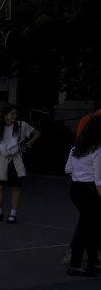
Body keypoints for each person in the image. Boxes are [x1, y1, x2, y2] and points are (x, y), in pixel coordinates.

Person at [0, 105, 42, 223]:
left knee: (16, 186)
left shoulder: (22, 125)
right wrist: (11, 149)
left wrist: (29, 143)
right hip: (4, 159)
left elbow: (37, 133)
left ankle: (13, 214)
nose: (14, 116)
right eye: (12, 114)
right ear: (5, 116)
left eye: (16, 113)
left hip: (17, 159)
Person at [64, 116, 101, 276]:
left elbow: (68, 169)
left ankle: (94, 263)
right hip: (90, 189)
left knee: (88, 225)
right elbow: (99, 180)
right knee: (87, 227)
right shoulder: (98, 150)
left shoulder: (76, 148)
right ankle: (75, 265)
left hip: (76, 188)